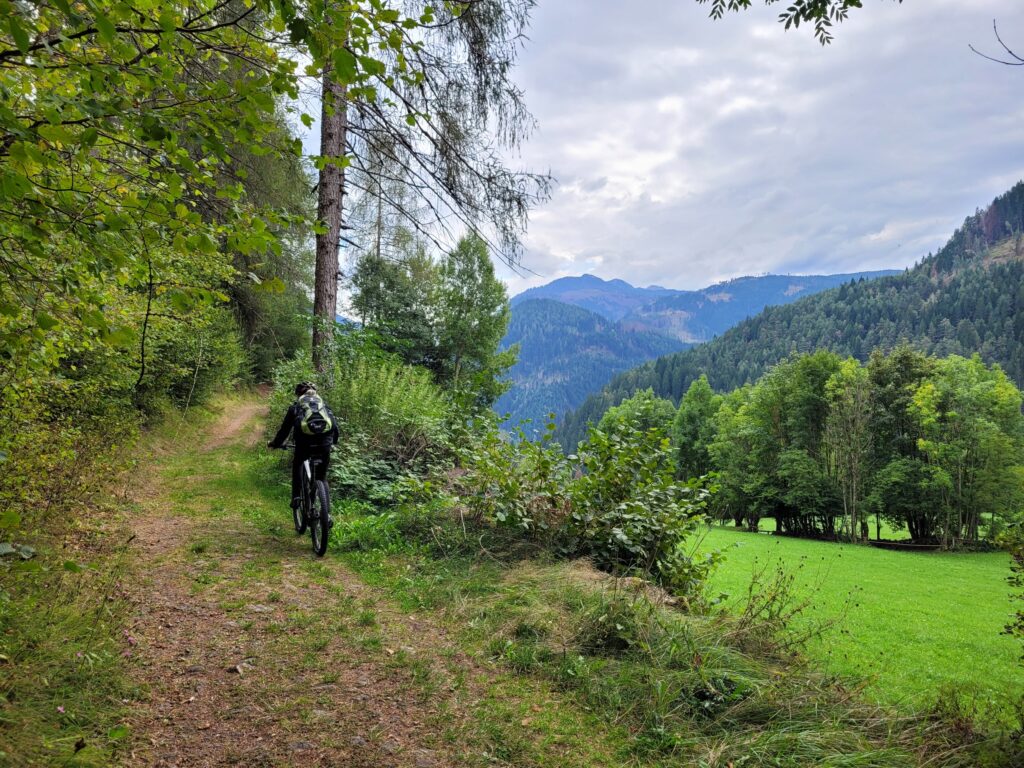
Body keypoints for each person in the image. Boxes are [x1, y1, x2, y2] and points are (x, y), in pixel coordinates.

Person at [268, 382, 339, 511]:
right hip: (325, 444)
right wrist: (333, 442)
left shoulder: (295, 407)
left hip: (304, 444)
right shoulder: (323, 406)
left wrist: (276, 444)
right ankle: (326, 513)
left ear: (298, 395)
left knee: (298, 463)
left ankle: (296, 497)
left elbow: (284, 430)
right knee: (322, 477)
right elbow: (334, 426)